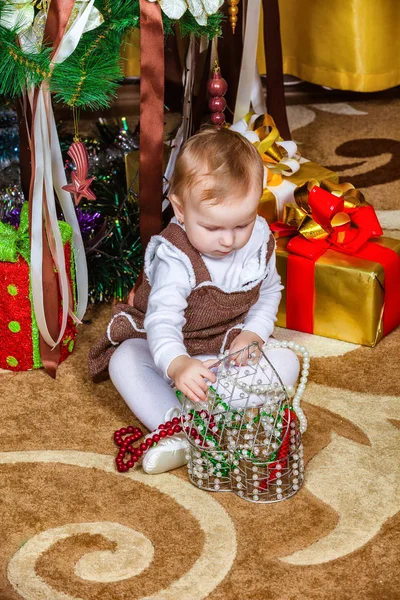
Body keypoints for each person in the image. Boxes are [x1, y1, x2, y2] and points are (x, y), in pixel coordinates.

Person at [88, 127, 300, 474]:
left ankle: (209, 415)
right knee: (124, 361)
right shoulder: (176, 257)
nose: (229, 240)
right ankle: (175, 426)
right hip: (164, 344)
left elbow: (270, 290)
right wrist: (177, 364)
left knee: (287, 362)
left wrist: (254, 334)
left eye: (241, 224)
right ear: (181, 210)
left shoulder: (259, 239)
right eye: (213, 228)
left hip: (224, 348)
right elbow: (162, 321)